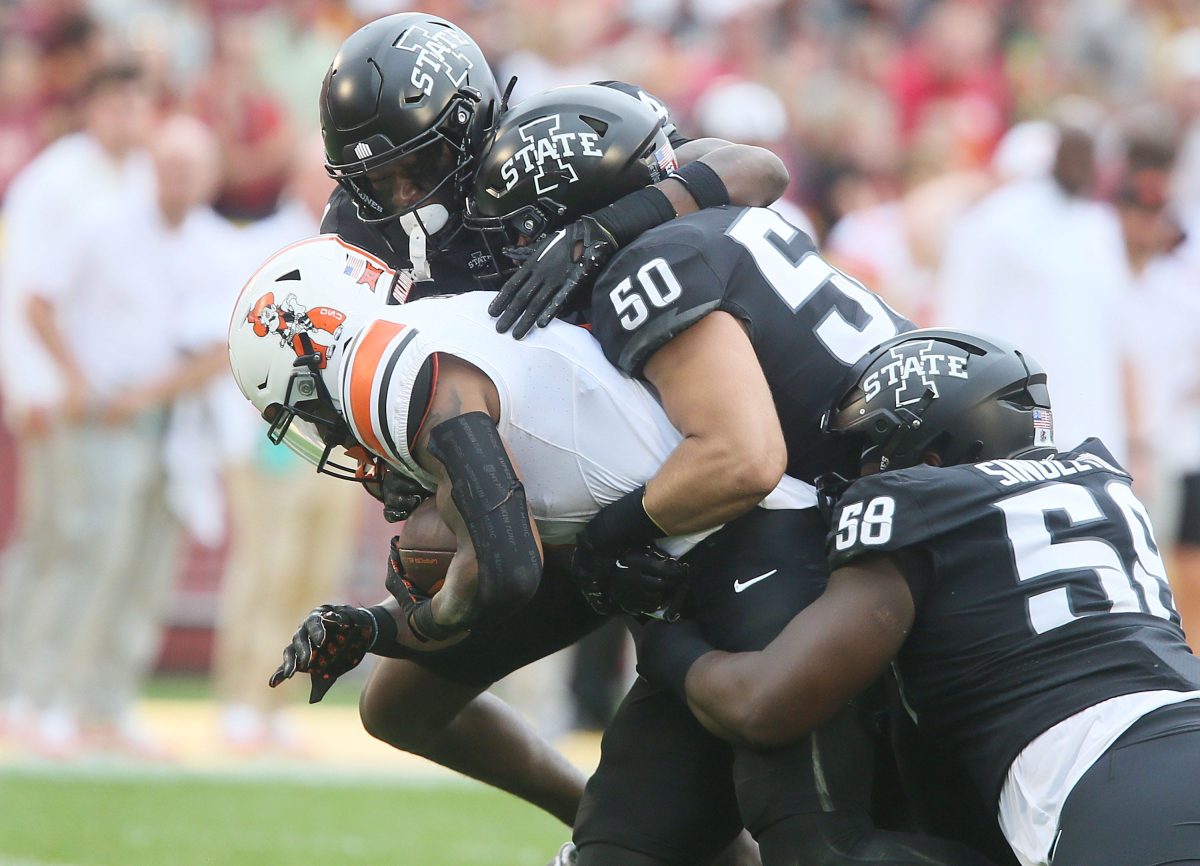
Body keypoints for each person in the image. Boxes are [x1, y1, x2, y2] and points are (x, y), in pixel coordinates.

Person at [471, 90, 998, 866]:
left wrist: (606, 539)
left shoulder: (646, 266)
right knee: (619, 844)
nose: (524, 251)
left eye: (528, 228)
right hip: (839, 539)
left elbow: (741, 458)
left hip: (825, 553)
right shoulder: (721, 224)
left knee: (820, 841)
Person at [228, 233, 810, 864]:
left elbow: (506, 568)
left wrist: (416, 619)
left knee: (773, 817)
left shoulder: (388, 369)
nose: (327, 435)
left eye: (313, 411)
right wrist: (378, 627)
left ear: (320, 348)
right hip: (636, 540)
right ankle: (614, 824)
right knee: (400, 704)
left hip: (734, 542)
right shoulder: (433, 326)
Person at [635, 329, 1200, 866]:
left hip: (1107, 783)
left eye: (868, 449)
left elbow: (764, 705)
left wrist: (663, 640)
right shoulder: (1099, 481)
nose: (856, 472)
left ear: (930, 452)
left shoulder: (919, 501)